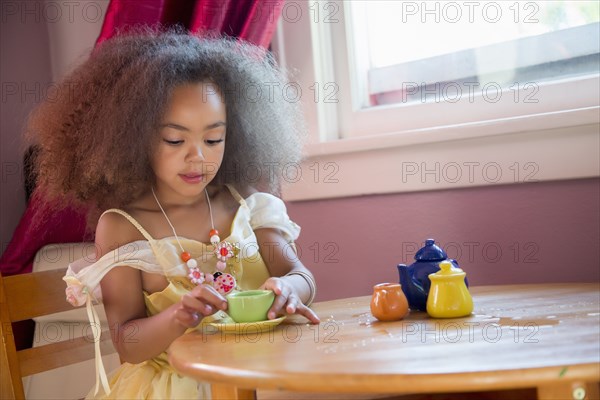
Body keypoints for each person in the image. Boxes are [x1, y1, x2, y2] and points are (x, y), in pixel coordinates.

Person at [25, 29, 319, 399]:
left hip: (261, 377)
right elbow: (127, 343)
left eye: (213, 139)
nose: (198, 156)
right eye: (175, 140)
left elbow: (299, 274)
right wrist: (178, 315)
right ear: (133, 138)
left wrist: (291, 288)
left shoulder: (244, 202)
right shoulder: (122, 227)